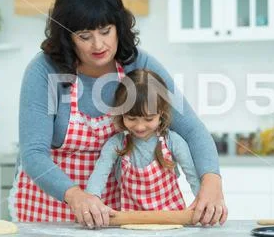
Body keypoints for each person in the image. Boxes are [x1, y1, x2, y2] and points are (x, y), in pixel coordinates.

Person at [8, 0, 227, 228]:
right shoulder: (44, 70)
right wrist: (77, 196)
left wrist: (212, 183)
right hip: (47, 206)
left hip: (111, 210)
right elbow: (34, 154)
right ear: (68, 38)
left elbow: (191, 129)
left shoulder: (138, 64)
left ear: (118, 28)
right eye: (84, 36)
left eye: (105, 31)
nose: (98, 45)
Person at [86, 69, 200, 211]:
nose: (140, 127)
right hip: (131, 223)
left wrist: (202, 202)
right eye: (131, 118)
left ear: (161, 114)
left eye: (149, 119)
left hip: (171, 221)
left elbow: (193, 176)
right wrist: (92, 199)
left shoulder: (173, 142)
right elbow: (99, 174)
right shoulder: (116, 144)